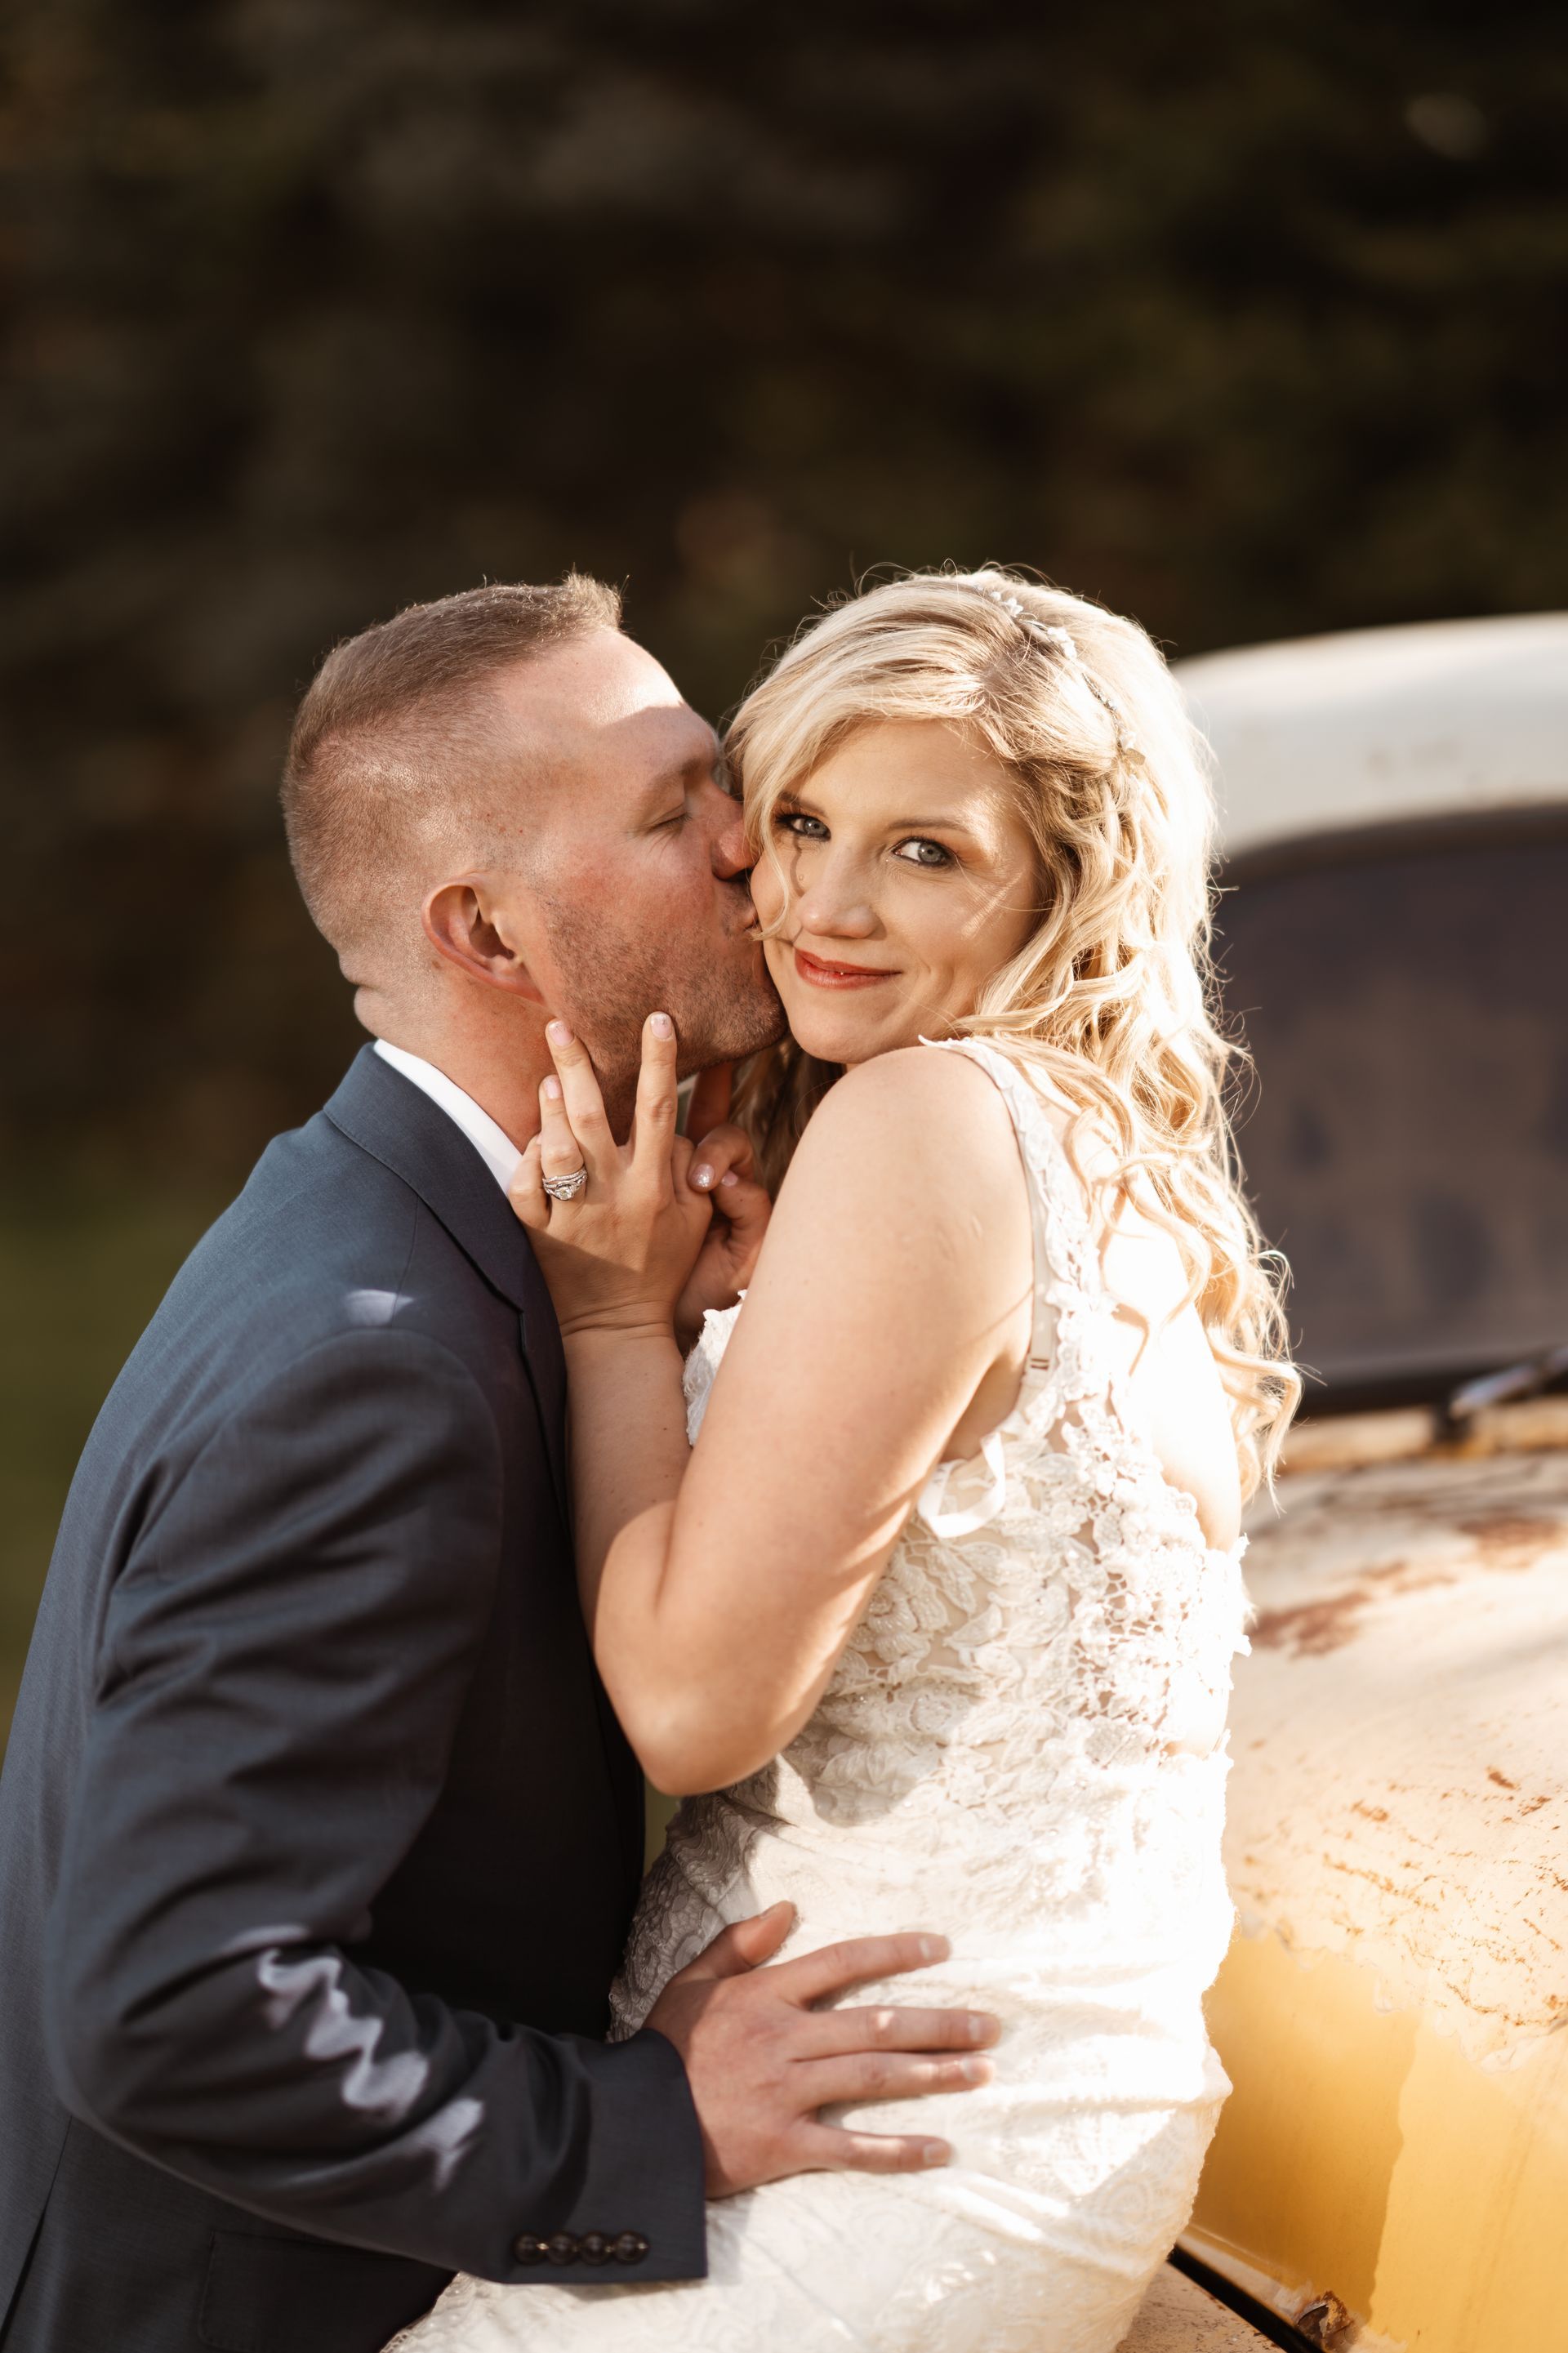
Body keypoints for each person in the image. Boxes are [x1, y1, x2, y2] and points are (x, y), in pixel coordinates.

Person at [0, 577, 997, 2353]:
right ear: (489, 931)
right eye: (677, 811)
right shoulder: (377, 1360)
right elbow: (171, 2002)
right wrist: (648, 2129)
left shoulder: (412, 1233)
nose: (753, 855)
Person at [389, 568, 1301, 2353]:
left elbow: (690, 1707)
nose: (822, 903)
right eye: (801, 821)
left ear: (1065, 883)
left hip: (883, 2131)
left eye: (926, 853)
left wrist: (610, 1318)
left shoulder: (927, 1122)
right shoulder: (1123, 1164)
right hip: (985, 2111)